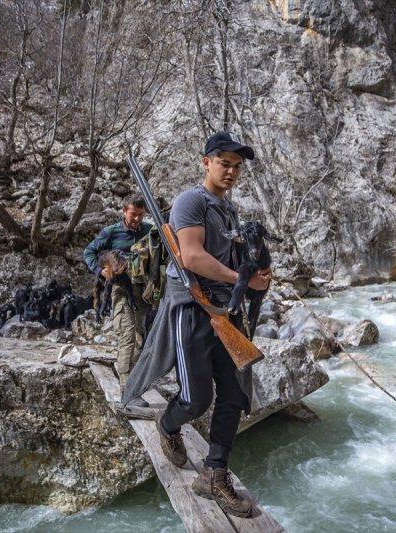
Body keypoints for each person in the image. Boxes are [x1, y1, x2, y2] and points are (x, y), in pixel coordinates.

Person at [121, 132, 271, 518]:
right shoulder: (192, 201)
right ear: (206, 162)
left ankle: (215, 473)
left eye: (237, 166)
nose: (232, 171)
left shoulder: (228, 208)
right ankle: (168, 424)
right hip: (194, 309)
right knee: (196, 398)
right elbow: (191, 257)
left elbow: (232, 257)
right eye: (225, 163)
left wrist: (254, 274)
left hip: (225, 313)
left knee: (234, 395)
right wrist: (242, 279)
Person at [84, 195, 153, 404]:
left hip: (143, 291)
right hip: (120, 289)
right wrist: (100, 270)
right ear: (124, 211)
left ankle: (138, 379)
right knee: (127, 333)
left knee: (143, 336)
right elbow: (89, 252)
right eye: (133, 214)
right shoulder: (111, 232)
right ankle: (127, 387)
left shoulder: (148, 231)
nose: (137, 219)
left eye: (141, 215)